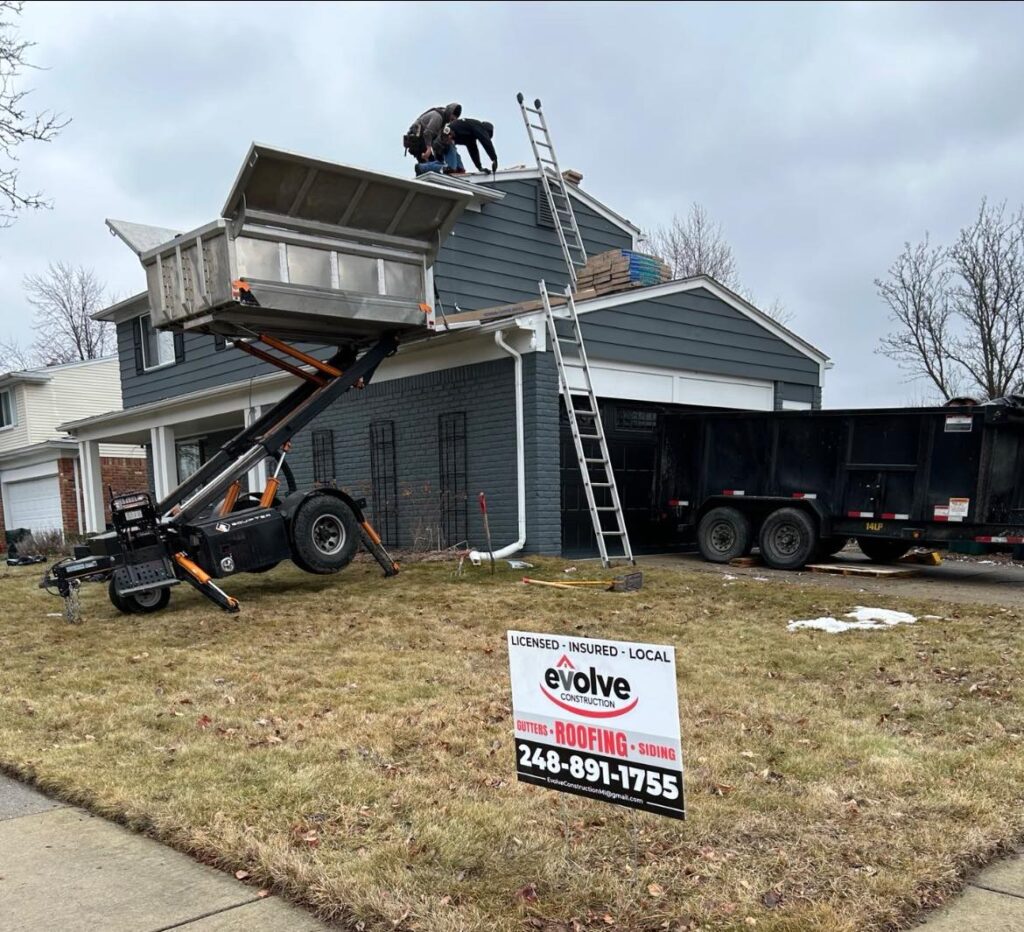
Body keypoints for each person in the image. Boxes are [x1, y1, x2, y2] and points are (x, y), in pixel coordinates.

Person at [404, 103, 462, 175]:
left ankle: (422, 171)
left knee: (432, 165)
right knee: (428, 166)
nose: (454, 118)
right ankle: (420, 170)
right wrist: (428, 149)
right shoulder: (438, 117)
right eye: (453, 115)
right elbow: (427, 133)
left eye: (456, 117)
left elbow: (436, 140)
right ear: (449, 112)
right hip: (418, 141)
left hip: (423, 140)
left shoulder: (443, 120)